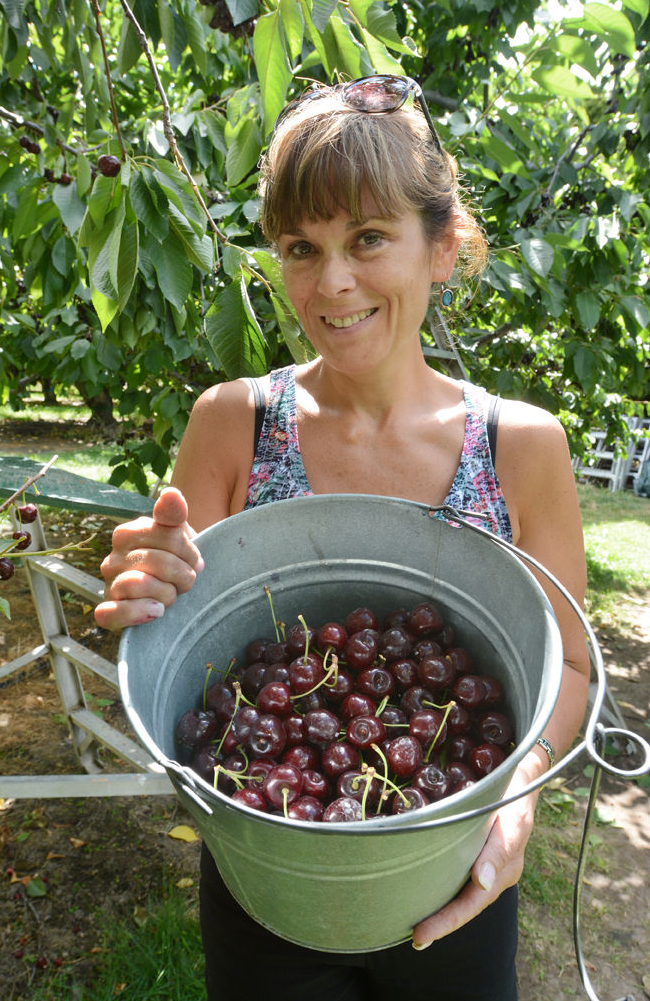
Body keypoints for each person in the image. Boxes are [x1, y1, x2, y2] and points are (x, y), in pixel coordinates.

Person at [95, 75, 589, 1001]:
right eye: (300, 247)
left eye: (368, 239)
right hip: (267, 872)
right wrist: (145, 584)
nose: (333, 282)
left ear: (442, 247)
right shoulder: (232, 422)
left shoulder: (520, 446)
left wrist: (513, 792)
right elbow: (173, 640)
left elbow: (571, 667)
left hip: (453, 875)